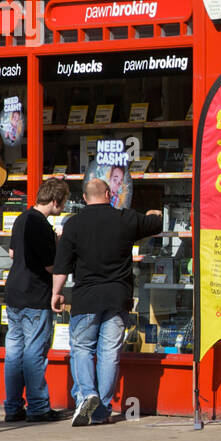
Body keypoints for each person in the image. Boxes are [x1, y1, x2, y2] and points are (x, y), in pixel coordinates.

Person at [51, 176, 162, 426]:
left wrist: (56, 293)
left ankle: (87, 395)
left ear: (84, 198)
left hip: (86, 298)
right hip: (117, 297)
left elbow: (62, 266)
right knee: (109, 353)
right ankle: (101, 411)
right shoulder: (126, 219)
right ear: (110, 194)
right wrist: (155, 212)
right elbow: (155, 223)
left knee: (82, 349)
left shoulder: (74, 225)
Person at [2, 177, 70, 422]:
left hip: (14, 293)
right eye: (63, 202)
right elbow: (50, 266)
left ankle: (12, 407)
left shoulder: (22, 219)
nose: (63, 206)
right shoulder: (41, 225)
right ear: (55, 201)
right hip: (35, 294)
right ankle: (39, 407)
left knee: (14, 353)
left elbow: (12, 253)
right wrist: (60, 244)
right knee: (34, 353)